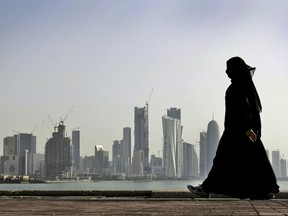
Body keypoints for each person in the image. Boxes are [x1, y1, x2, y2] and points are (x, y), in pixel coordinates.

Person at [188, 56, 279, 199]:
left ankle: (206, 189)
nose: (226, 72)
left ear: (235, 70)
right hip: (242, 131)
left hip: (237, 132)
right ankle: (260, 192)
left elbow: (242, 111)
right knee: (250, 162)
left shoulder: (236, 88)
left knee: (224, 162)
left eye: (229, 68)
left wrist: (247, 129)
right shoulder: (241, 87)